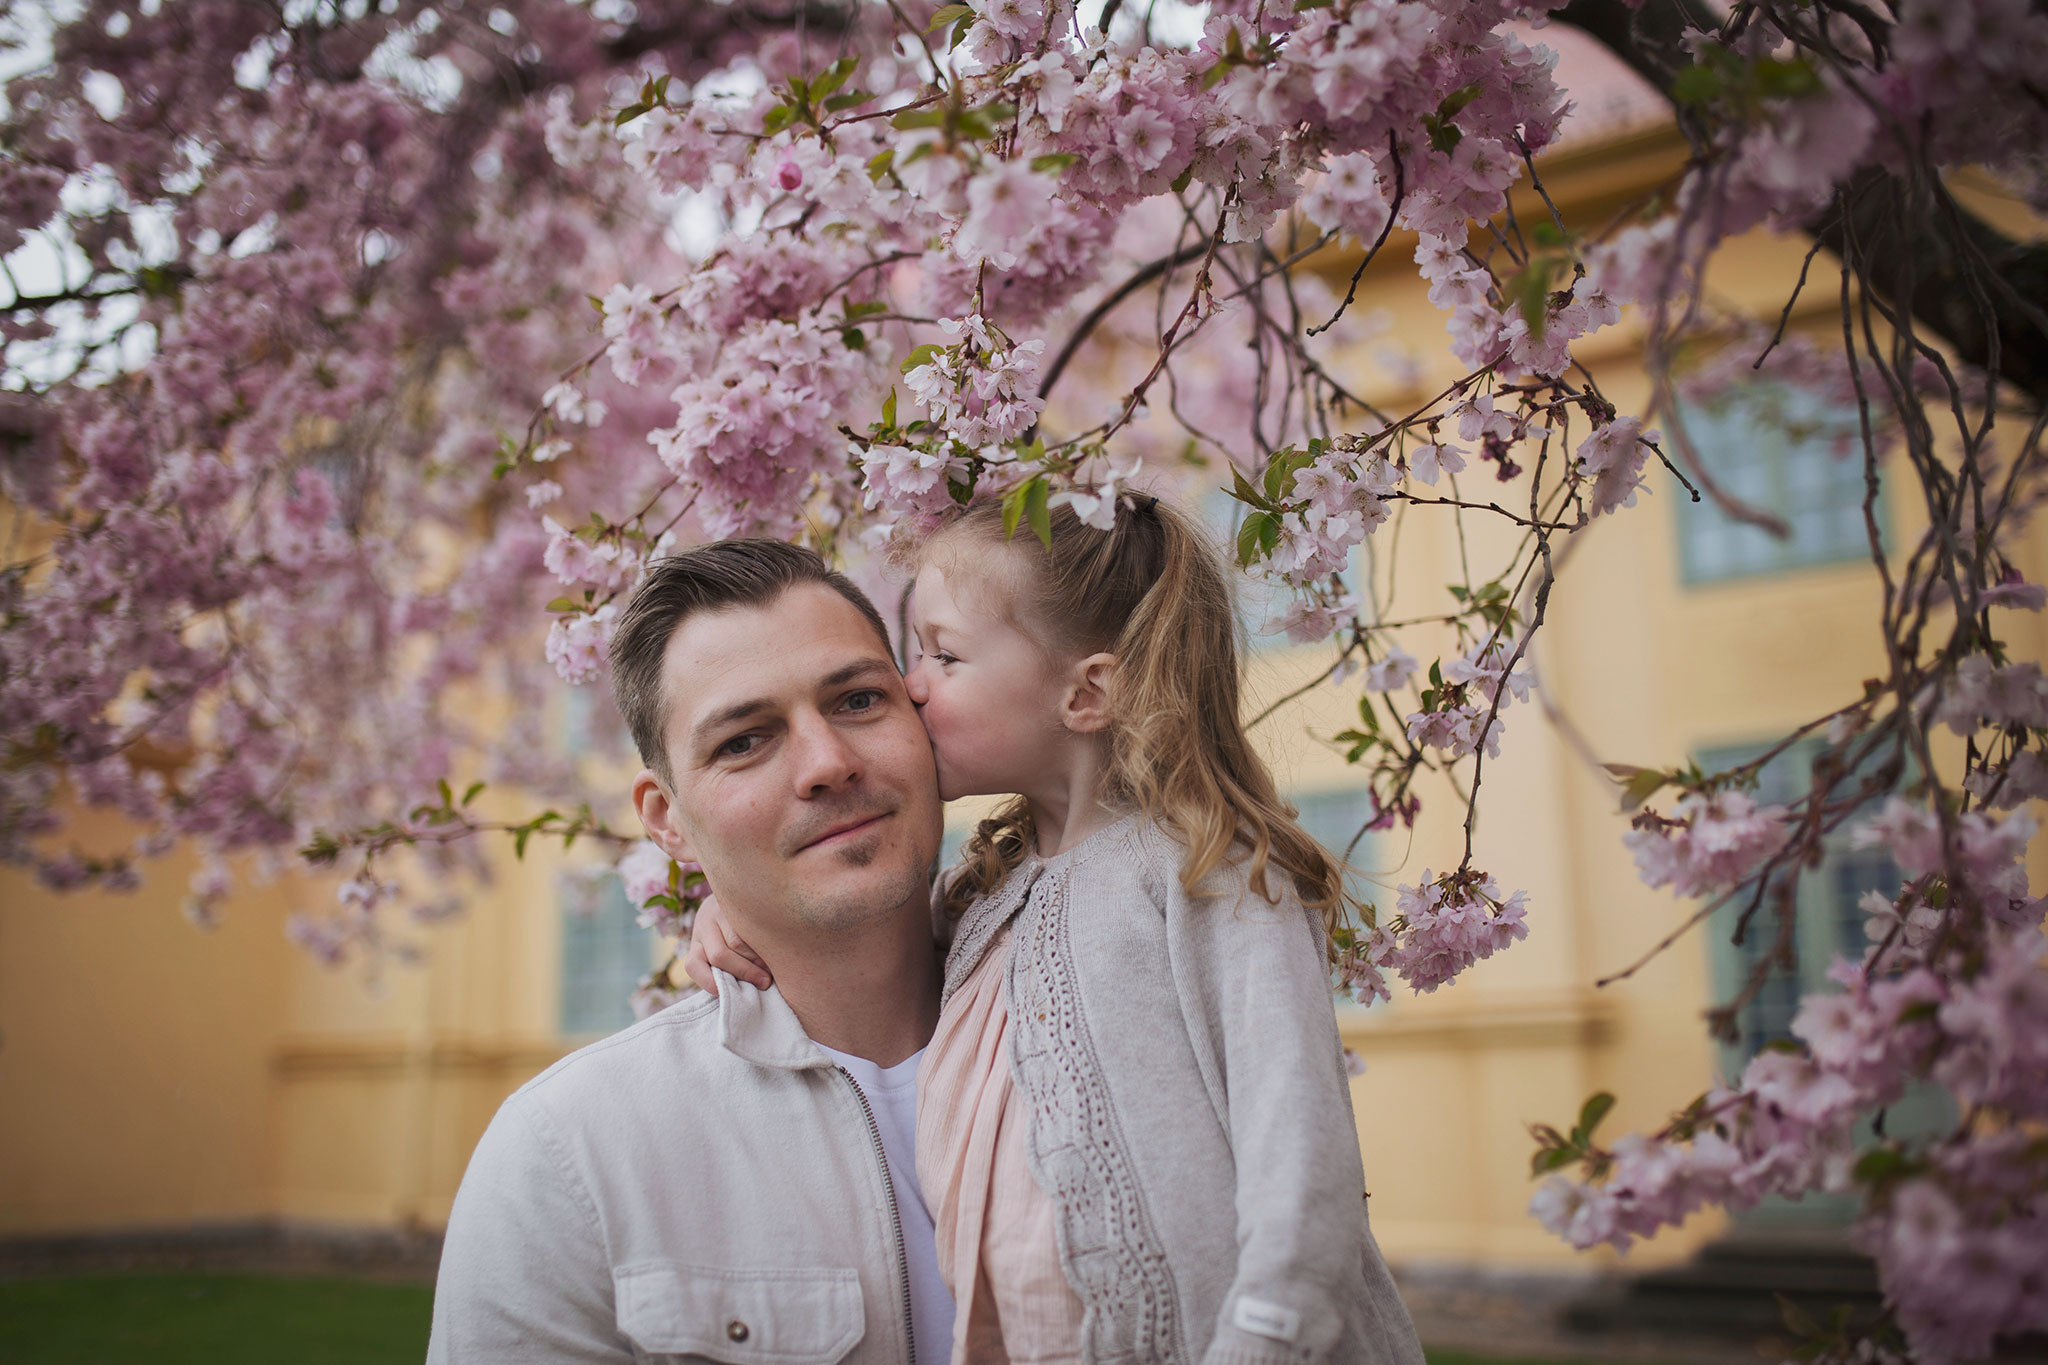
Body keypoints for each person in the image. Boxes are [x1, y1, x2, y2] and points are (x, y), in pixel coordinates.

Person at [691, 497, 1426, 1365]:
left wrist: (1266, 1339)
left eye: (944, 654)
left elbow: (1302, 1157)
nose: (910, 683)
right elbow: (851, 937)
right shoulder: (981, 895)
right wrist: (732, 907)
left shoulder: (1204, 871)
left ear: (1087, 692)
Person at [427, 540, 958, 1363]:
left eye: (857, 699)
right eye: (745, 740)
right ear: (667, 820)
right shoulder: (573, 1154)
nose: (828, 762)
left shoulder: (1118, 1016)